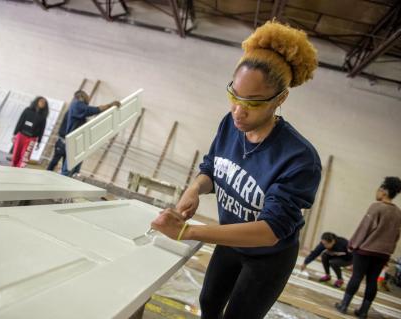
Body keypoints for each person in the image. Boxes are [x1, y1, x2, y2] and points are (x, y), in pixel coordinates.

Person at [151, 21, 321, 319]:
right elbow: (211, 168)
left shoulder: (299, 158)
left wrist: (188, 231)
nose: (238, 111)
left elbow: (270, 232)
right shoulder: (230, 124)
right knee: (210, 302)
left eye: (252, 103)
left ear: (280, 99)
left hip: (268, 257)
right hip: (231, 239)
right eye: (234, 95)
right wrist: (195, 188)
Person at [335, 177, 401, 318]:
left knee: (357, 277)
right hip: (383, 253)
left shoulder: (376, 207)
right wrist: (388, 253)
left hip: (366, 250)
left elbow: (364, 229)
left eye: (379, 189)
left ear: (384, 191)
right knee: (372, 280)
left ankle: (344, 305)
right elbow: (396, 235)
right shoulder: (398, 213)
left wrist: (352, 244)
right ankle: (363, 312)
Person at [60, 90, 120, 176]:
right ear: (81, 96)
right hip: (75, 138)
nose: (89, 98)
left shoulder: (76, 105)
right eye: (87, 96)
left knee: (76, 164)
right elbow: (92, 110)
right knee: (70, 165)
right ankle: (63, 181)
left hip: (78, 138)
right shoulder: (77, 104)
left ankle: (71, 179)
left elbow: (91, 112)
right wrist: (109, 105)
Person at [11, 96, 49, 168]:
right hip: (21, 135)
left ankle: (19, 170)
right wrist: (15, 134)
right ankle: (13, 167)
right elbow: (20, 121)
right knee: (16, 153)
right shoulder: (27, 110)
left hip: (32, 138)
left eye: (44, 103)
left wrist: (39, 142)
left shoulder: (43, 117)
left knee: (25, 156)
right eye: (41, 101)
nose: (42, 103)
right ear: (36, 102)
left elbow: (42, 129)